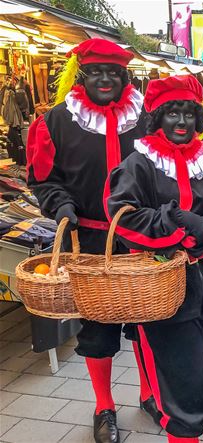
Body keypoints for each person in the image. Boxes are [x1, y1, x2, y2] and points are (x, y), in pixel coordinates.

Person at [26, 38, 155, 443]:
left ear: (124, 78)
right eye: (96, 72)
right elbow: (44, 180)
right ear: (81, 76)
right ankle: (104, 406)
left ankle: (150, 394)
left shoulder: (147, 118)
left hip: (142, 239)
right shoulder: (58, 121)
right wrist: (60, 205)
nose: (104, 79)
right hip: (91, 245)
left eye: (113, 73)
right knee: (97, 330)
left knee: (146, 321)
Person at [105, 74, 203, 442]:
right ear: (158, 117)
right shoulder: (139, 163)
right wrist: (173, 226)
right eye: (172, 113)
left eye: (189, 114)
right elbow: (123, 214)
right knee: (179, 386)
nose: (182, 122)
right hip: (162, 285)